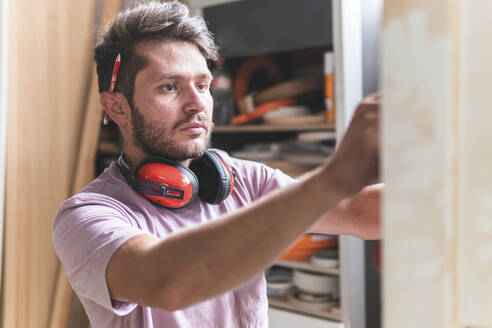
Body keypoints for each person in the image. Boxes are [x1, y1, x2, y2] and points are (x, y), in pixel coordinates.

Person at [53, 1, 380, 327]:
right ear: (117, 107)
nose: (197, 104)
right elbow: (166, 281)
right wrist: (333, 179)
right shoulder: (86, 215)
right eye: (169, 87)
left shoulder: (243, 179)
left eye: (202, 85)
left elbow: (358, 211)